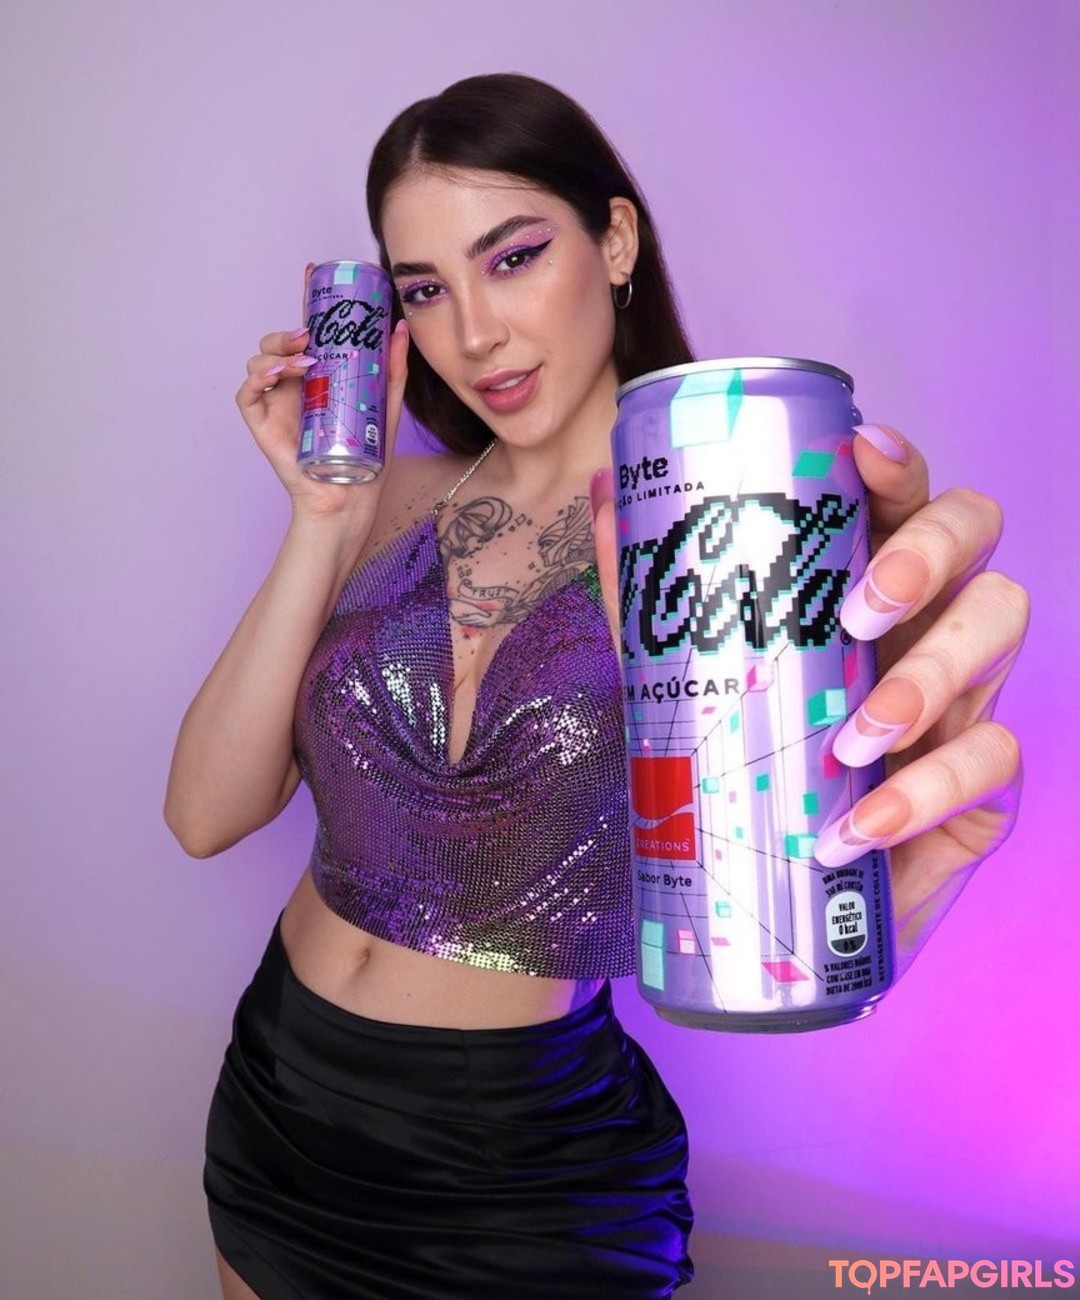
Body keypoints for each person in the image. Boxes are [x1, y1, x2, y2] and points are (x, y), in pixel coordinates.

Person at [164, 73, 1028, 1300]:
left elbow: (775, 880)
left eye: (512, 258)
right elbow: (205, 816)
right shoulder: (392, 499)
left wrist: (864, 771)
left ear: (615, 241)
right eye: (425, 290)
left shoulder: (728, 534)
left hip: (516, 1162)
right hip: (279, 1093)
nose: (474, 334)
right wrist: (321, 517)